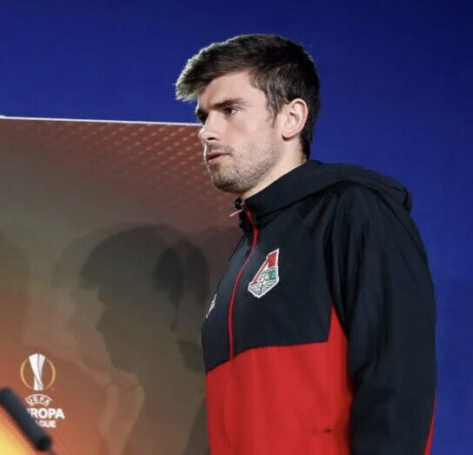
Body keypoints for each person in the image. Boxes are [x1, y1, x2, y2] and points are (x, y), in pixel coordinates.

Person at [175, 34, 436, 455]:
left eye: (230, 110)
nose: (207, 132)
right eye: (204, 117)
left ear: (291, 118)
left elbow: (399, 382)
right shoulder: (244, 254)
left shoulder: (354, 211)